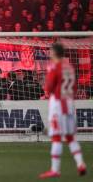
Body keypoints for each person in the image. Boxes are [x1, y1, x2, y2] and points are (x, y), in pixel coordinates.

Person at [39, 43, 86, 179]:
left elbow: (48, 87)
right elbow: (75, 87)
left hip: (58, 104)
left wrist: (47, 86)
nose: (49, 53)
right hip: (70, 103)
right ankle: (80, 164)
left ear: (54, 53)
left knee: (56, 138)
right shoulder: (69, 67)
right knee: (70, 137)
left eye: (50, 51)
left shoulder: (54, 67)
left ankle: (55, 169)